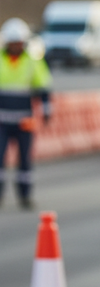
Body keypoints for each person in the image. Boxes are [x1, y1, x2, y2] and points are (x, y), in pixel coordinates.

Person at [0, 18, 52, 209]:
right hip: (2, 120)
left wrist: (46, 109)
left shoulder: (32, 61)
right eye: (13, 43)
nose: (16, 46)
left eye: (19, 43)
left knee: (25, 161)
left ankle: (24, 195)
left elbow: (43, 86)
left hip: (24, 121)